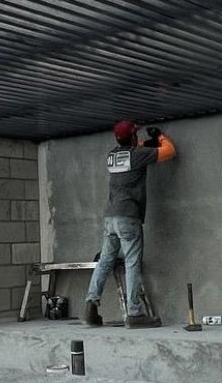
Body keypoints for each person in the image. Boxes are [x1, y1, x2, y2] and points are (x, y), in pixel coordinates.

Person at [82, 120, 177, 328]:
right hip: (128, 217)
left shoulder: (112, 155)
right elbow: (170, 151)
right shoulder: (137, 155)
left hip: (110, 218)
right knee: (132, 262)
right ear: (133, 137)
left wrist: (145, 143)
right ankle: (134, 313)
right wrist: (159, 137)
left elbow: (134, 148)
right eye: (136, 135)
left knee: (105, 261)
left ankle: (91, 306)